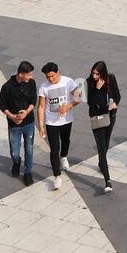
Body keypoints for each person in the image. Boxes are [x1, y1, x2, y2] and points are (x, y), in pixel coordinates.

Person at [36, 62, 81, 190]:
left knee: (66, 140)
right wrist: (41, 126)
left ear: (58, 72)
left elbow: (79, 96)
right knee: (54, 149)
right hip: (51, 122)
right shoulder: (44, 87)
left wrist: (69, 106)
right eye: (48, 77)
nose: (50, 79)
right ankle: (56, 176)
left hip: (66, 119)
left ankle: (64, 156)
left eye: (52, 76)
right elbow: (41, 106)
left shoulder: (68, 82)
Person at [0, 61, 37, 186]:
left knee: (29, 149)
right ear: (20, 74)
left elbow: (33, 100)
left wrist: (26, 112)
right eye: (29, 74)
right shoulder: (7, 87)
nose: (31, 77)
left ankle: (28, 172)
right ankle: (16, 162)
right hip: (14, 125)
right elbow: (1, 104)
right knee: (14, 152)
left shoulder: (31, 83)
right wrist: (12, 117)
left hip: (29, 122)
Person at [86, 61, 121, 194]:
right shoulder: (89, 82)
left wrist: (115, 104)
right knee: (101, 148)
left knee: (105, 145)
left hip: (110, 117)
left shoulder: (111, 79)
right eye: (93, 73)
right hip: (97, 119)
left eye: (97, 73)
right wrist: (98, 89)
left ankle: (102, 163)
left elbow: (117, 96)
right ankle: (108, 181)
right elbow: (90, 102)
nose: (94, 76)